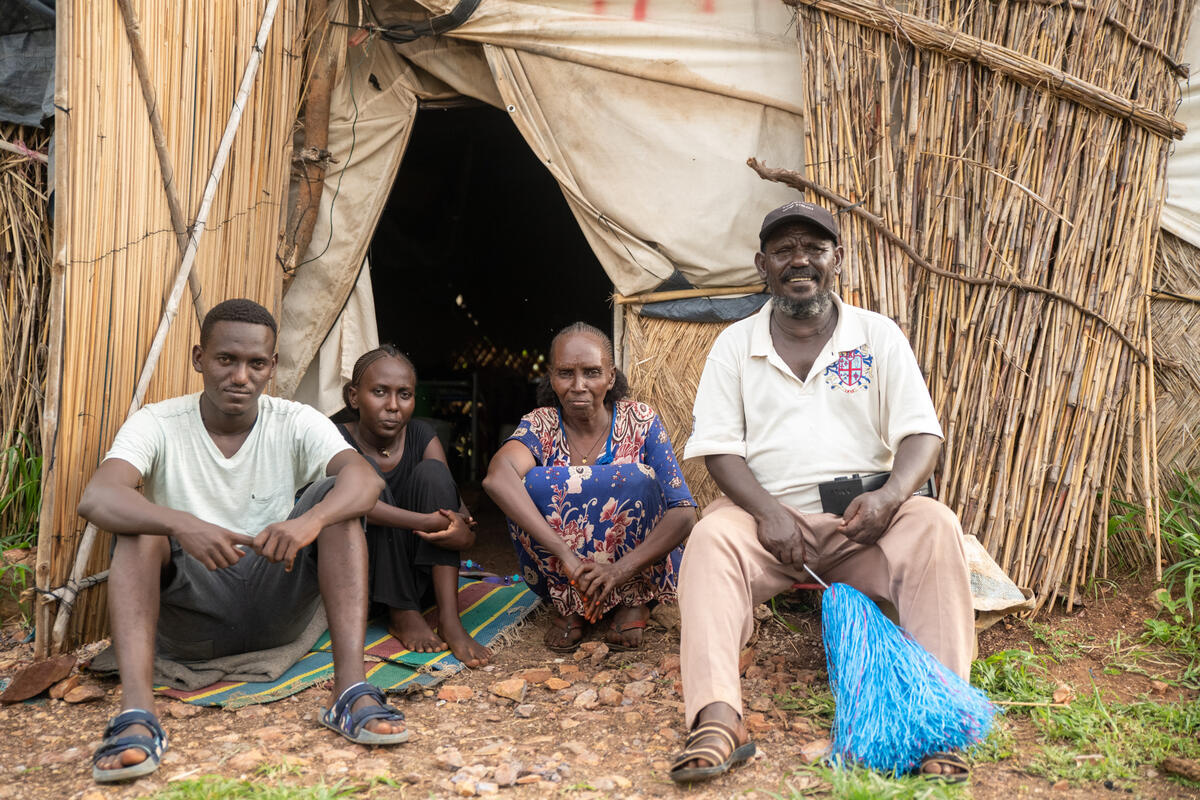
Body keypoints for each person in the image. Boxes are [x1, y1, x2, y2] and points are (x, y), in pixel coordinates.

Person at [670, 201, 974, 784]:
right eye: (783, 250)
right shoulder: (735, 345)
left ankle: (939, 725)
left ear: (837, 258)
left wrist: (889, 499)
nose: (799, 260)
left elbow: (921, 434)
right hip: (769, 525)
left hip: (866, 522)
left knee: (935, 525)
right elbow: (718, 450)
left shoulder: (877, 336)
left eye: (813, 248)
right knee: (710, 538)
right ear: (762, 265)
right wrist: (765, 512)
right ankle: (717, 719)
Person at [78, 299, 408, 784]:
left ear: (272, 368)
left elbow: (365, 481)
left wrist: (309, 522)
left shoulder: (294, 420)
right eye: (225, 360)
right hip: (193, 621)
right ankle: (137, 717)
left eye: (256, 364)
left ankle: (350, 692)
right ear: (198, 358)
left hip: (277, 603)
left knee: (336, 500)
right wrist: (180, 523)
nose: (240, 376)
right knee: (139, 527)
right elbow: (98, 496)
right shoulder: (158, 422)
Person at [482, 322, 696, 652]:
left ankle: (634, 601)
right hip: (566, 571)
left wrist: (619, 571)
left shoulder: (640, 420)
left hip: (632, 571)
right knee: (530, 484)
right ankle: (572, 603)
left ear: (611, 377)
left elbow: (684, 513)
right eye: (566, 373)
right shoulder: (541, 424)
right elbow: (498, 476)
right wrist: (566, 556)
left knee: (638, 478)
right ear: (551, 377)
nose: (578, 386)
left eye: (592, 372)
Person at [333, 344, 491, 667]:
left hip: (420, 578)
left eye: (404, 394)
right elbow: (359, 506)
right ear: (353, 396)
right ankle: (401, 613)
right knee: (367, 481)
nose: (393, 406)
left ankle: (449, 619)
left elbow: (455, 512)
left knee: (433, 474)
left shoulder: (420, 434)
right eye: (379, 392)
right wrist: (429, 521)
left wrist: (463, 531)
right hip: (362, 581)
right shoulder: (334, 439)